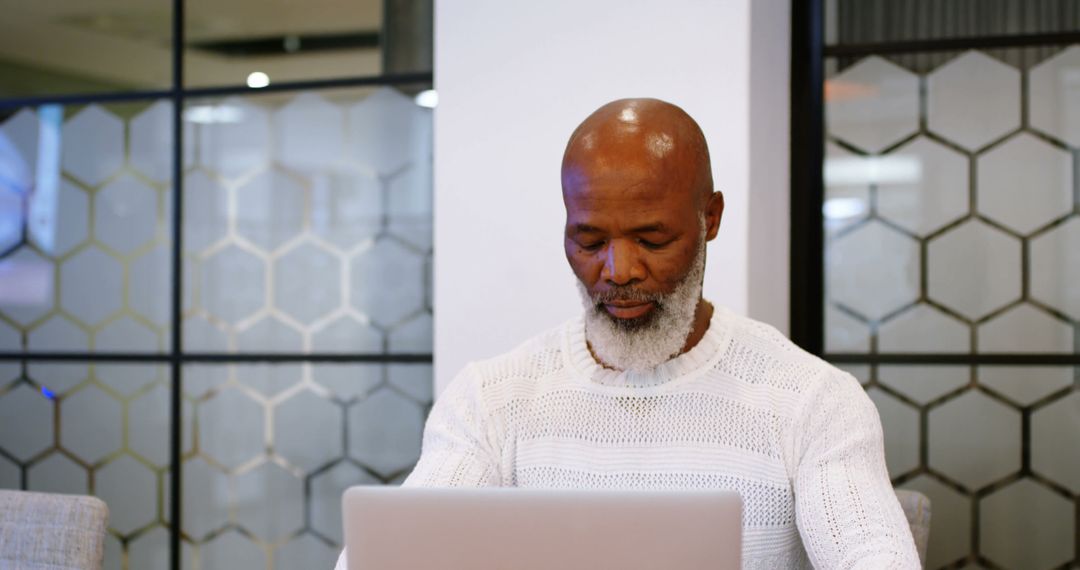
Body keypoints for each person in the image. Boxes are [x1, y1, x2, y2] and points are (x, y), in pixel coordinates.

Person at [334, 98, 919, 569]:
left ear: (710, 218)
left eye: (652, 239)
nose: (618, 271)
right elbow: (391, 553)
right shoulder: (493, 398)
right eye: (590, 242)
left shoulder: (810, 401)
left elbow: (873, 555)